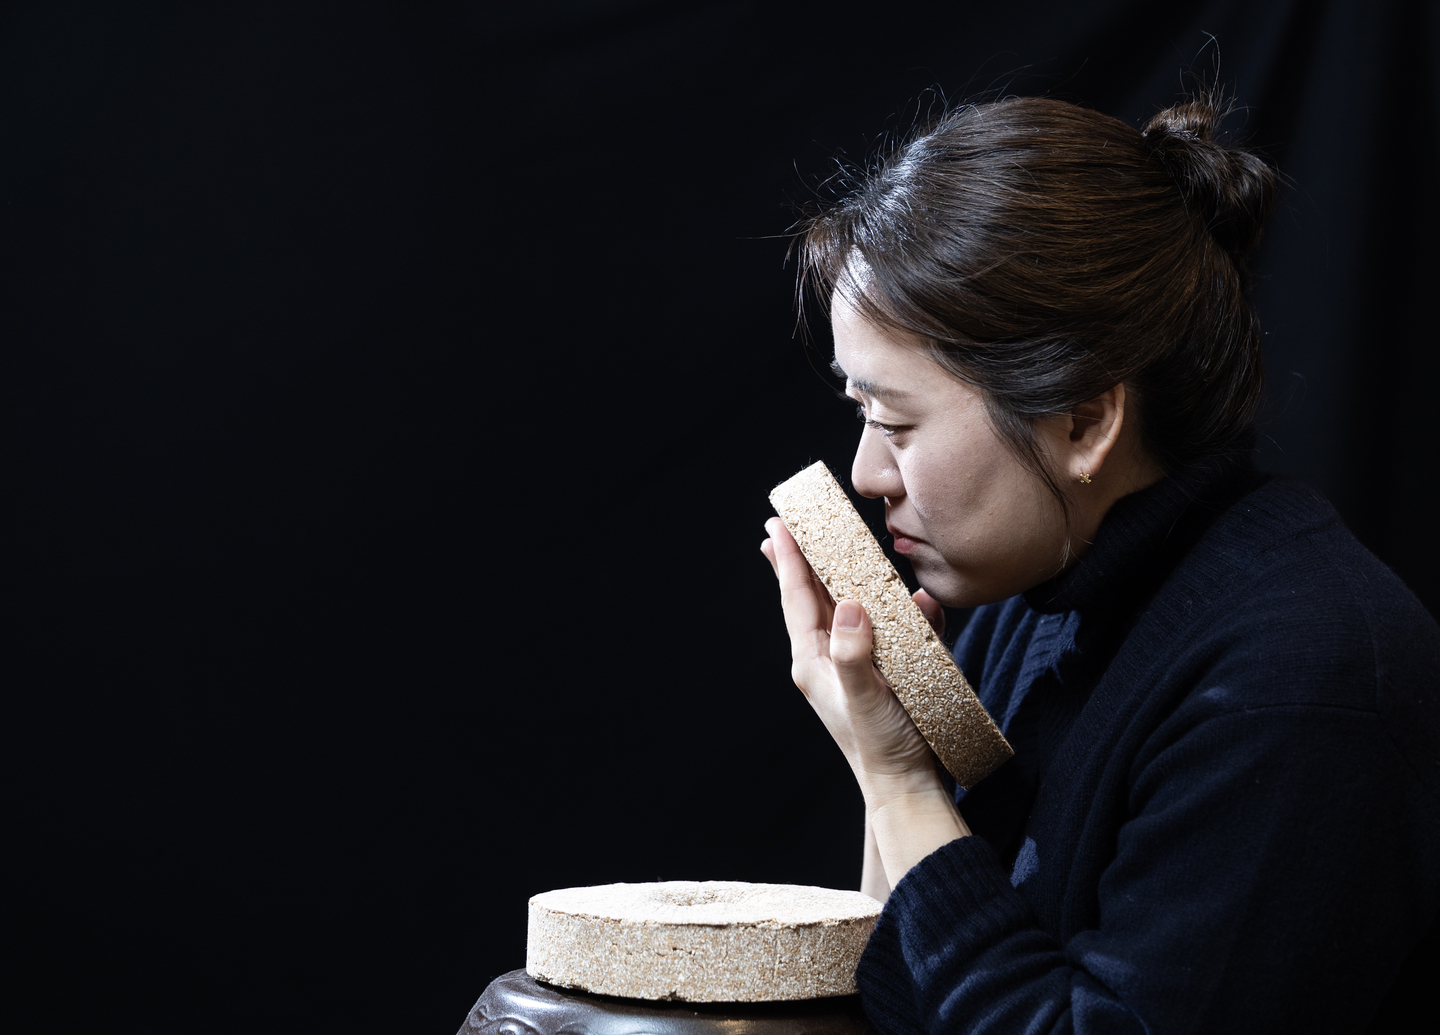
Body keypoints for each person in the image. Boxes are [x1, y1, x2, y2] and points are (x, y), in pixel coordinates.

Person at [759, 95, 1440, 1034]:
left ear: (1084, 419)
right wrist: (901, 749)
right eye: (861, 413)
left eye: (897, 422)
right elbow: (905, 1011)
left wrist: (901, 782)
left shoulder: (1301, 679)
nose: (867, 473)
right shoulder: (1023, 598)